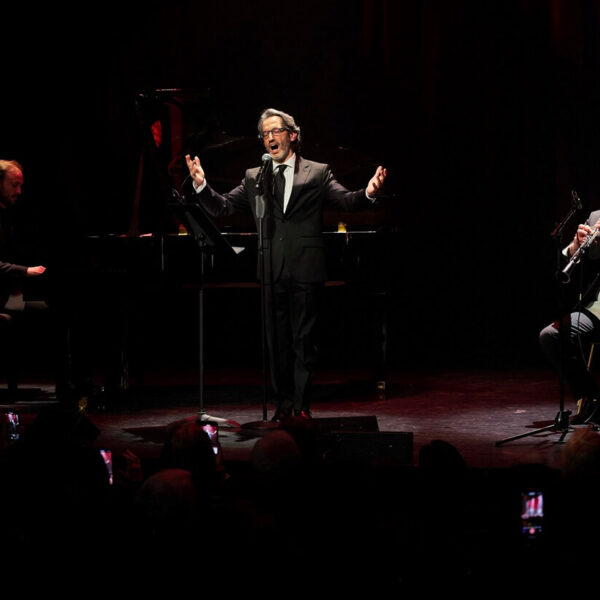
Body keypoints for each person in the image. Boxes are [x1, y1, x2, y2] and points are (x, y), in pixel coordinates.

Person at [185, 107, 387, 422]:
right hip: (270, 269)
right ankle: (282, 405)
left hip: (306, 268)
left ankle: (301, 407)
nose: (270, 137)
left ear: (292, 135)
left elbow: (347, 200)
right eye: (265, 134)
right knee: (276, 343)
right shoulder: (255, 176)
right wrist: (201, 187)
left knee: (304, 342)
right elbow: (222, 208)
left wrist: (369, 192)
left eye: (276, 131)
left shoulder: (317, 172)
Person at [539, 209, 600, 424]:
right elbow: (579, 263)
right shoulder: (595, 217)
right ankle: (592, 400)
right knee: (551, 335)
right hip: (596, 309)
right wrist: (576, 246)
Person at [0, 160, 47, 310]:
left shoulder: (6, 213)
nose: (19, 191)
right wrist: (26, 271)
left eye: (20, 186)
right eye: (15, 185)